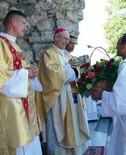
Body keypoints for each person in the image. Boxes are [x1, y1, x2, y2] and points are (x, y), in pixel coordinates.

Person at [0, 10, 42, 155]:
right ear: (13, 22)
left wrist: (31, 72)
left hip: (25, 103)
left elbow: (20, 69)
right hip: (11, 106)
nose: (26, 27)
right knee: (17, 145)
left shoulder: (15, 46)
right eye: (24, 23)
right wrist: (26, 73)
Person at [35, 27, 90, 155]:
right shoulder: (48, 54)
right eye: (64, 38)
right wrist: (69, 67)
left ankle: (75, 151)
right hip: (58, 98)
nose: (66, 41)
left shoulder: (66, 55)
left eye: (67, 39)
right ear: (56, 37)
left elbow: (73, 73)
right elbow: (52, 75)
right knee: (59, 127)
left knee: (74, 125)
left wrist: (76, 69)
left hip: (72, 96)